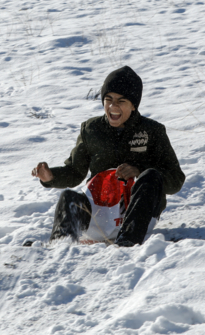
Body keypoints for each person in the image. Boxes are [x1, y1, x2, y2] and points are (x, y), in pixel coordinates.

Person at [30, 66, 185, 247]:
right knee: (69, 198)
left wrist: (139, 171)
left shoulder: (152, 131)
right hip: (100, 213)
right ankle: (58, 248)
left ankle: (126, 244)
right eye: (108, 99)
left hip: (138, 217)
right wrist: (50, 177)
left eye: (121, 101)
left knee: (151, 175)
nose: (113, 106)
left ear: (133, 104)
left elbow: (176, 179)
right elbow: (75, 172)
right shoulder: (91, 129)